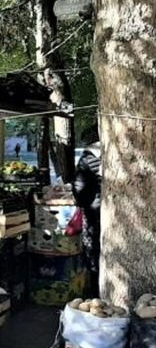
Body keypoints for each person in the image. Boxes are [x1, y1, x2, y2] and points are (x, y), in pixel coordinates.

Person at [72, 127, 101, 296]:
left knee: (94, 250)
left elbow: (80, 188)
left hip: (95, 212)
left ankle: (95, 291)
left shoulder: (88, 157)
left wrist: (79, 201)